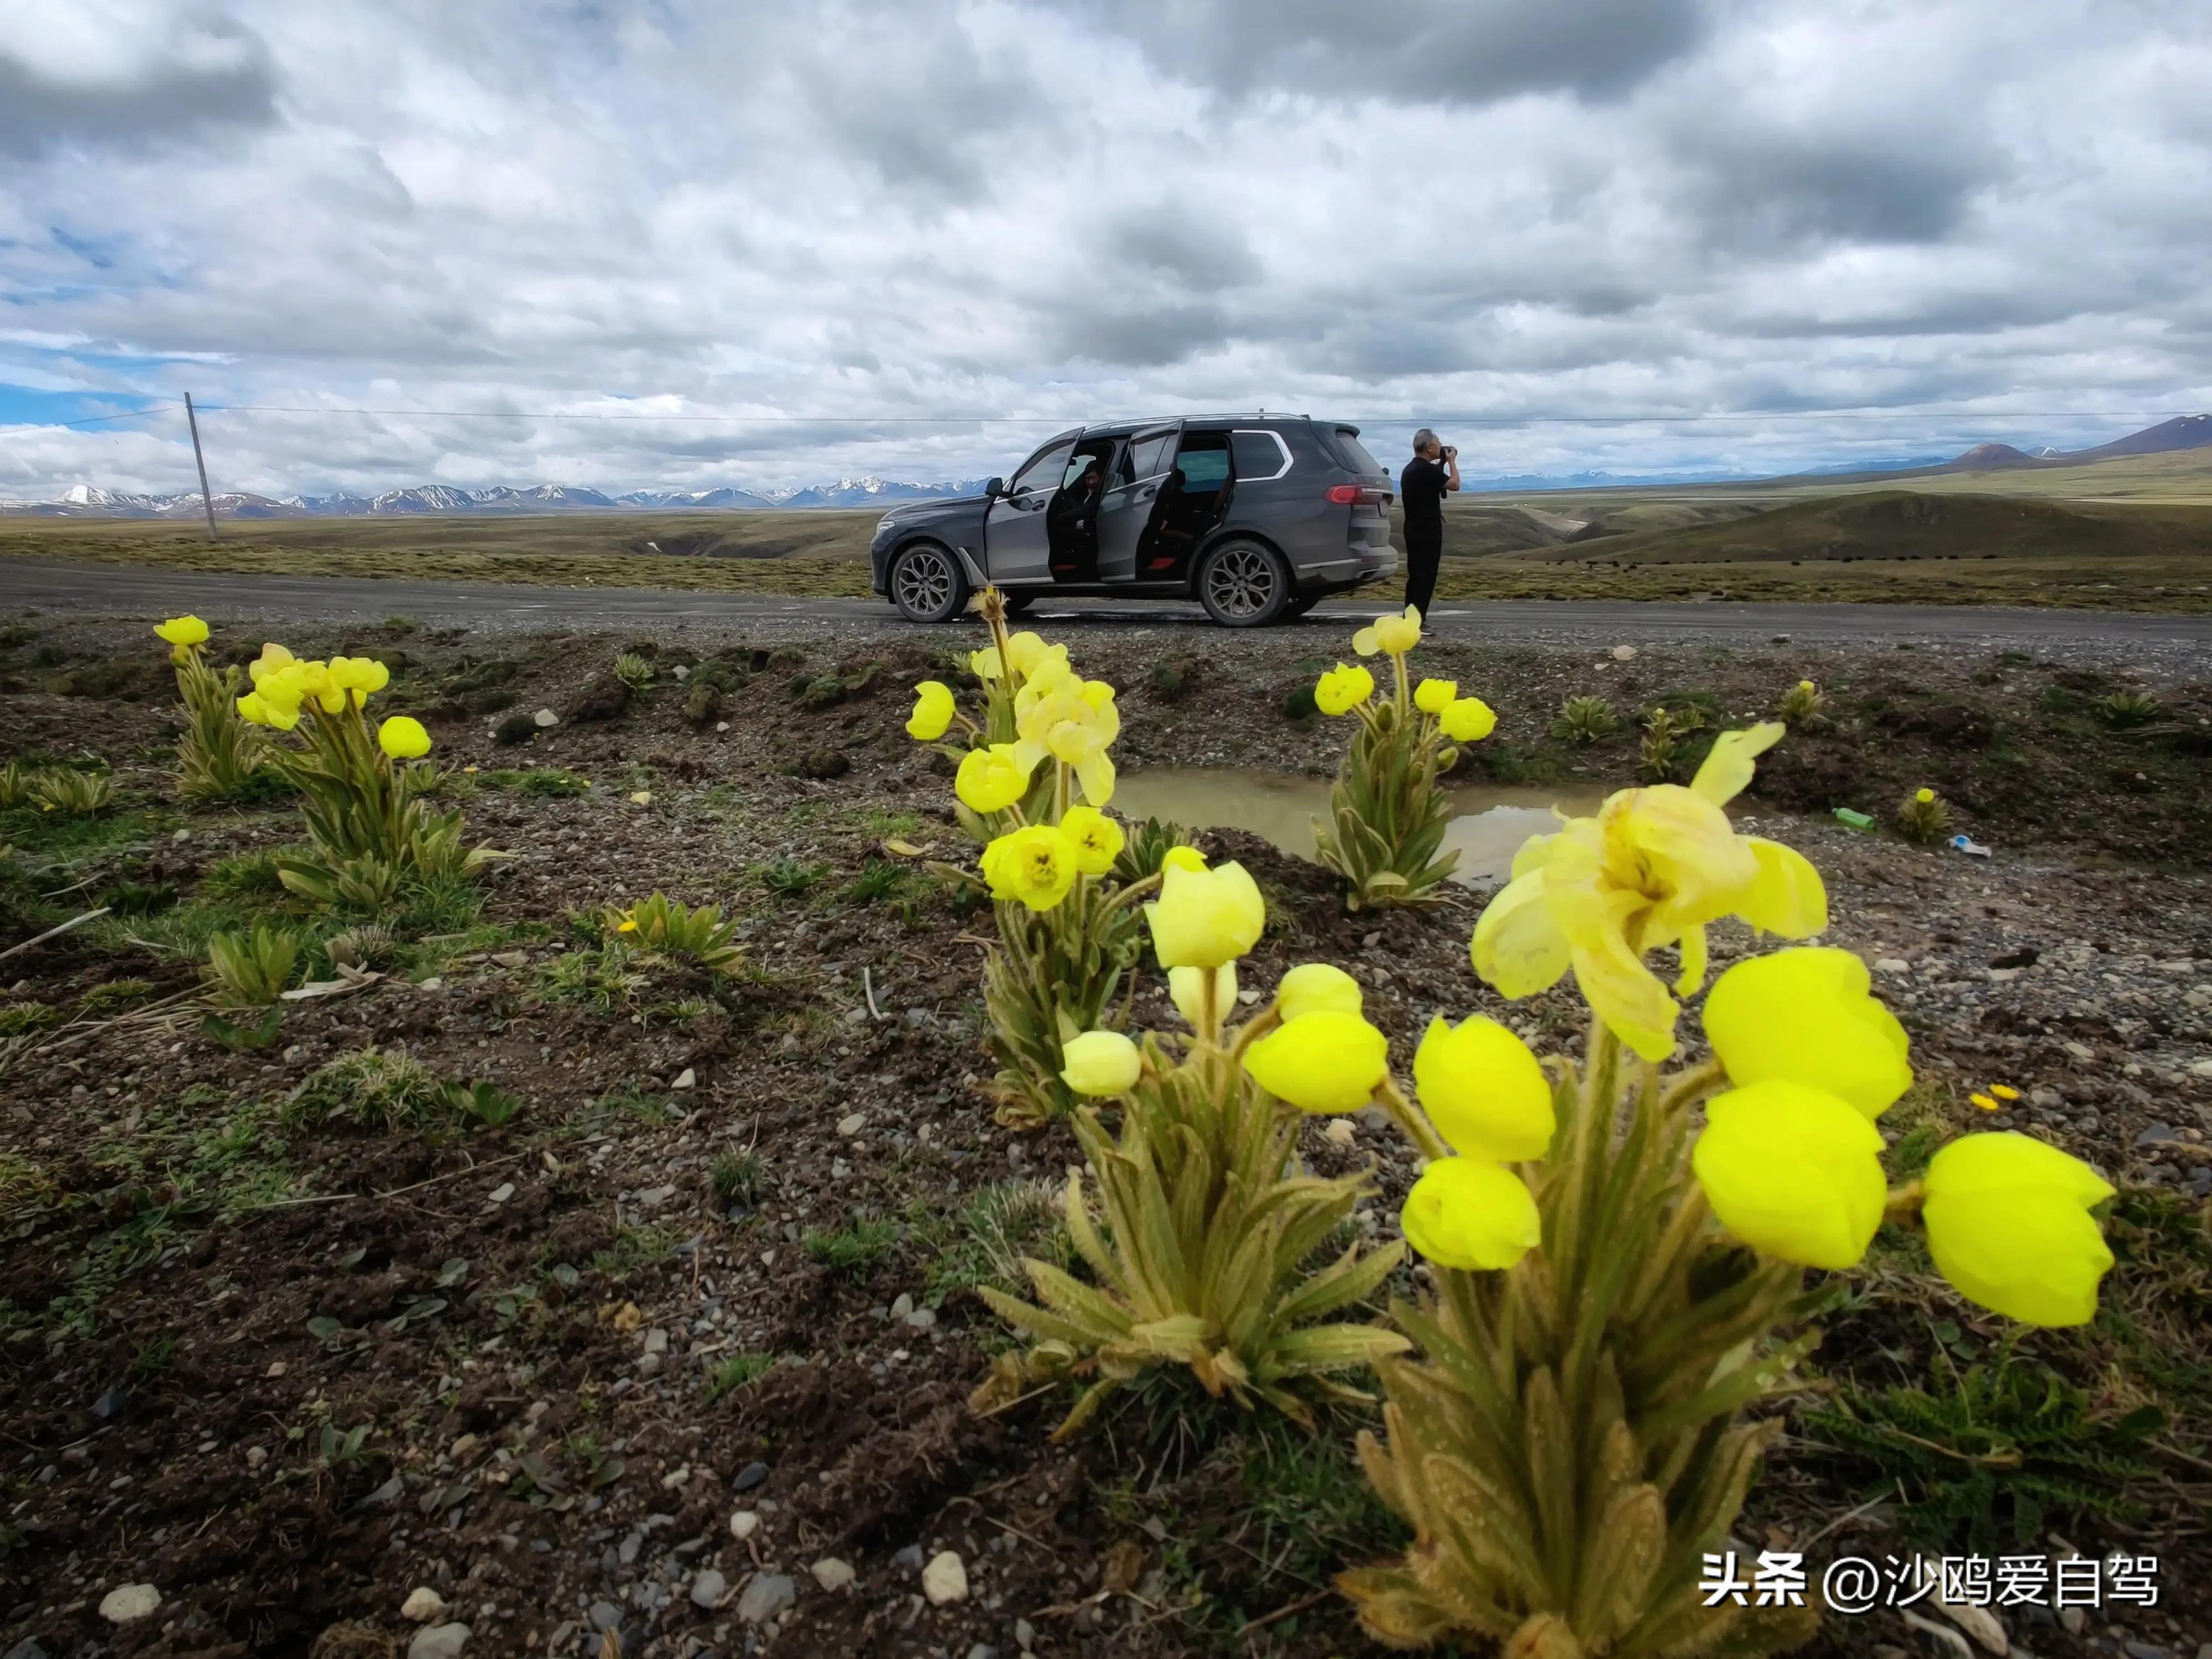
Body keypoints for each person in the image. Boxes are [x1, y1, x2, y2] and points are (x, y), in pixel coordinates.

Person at [1397, 429, 1459, 620]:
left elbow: (1435, 482)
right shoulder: (1426, 470)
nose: (1441, 446)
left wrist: (1440, 463)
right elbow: (1454, 484)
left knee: (1416, 575)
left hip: (1413, 527)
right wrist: (1451, 462)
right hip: (1428, 529)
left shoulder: (1411, 469)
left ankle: (1410, 618)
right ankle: (1417, 622)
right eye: (1438, 443)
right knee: (1426, 575)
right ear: (1430, 447)